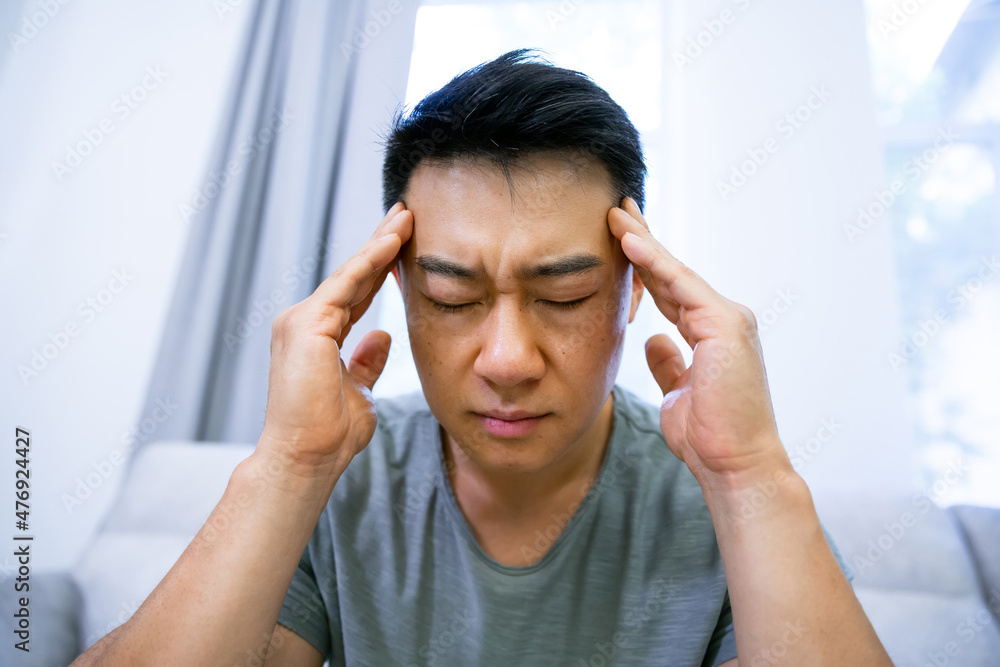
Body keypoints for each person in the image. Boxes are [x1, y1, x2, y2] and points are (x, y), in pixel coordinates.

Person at [71, 49, 891, 666]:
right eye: (454, 298)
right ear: (396, 285)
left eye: (565, 296)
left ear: (635, 288)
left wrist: (751, 476)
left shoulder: (729, 501)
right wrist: (289, 464)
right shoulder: (334, 481)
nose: (507, 358)